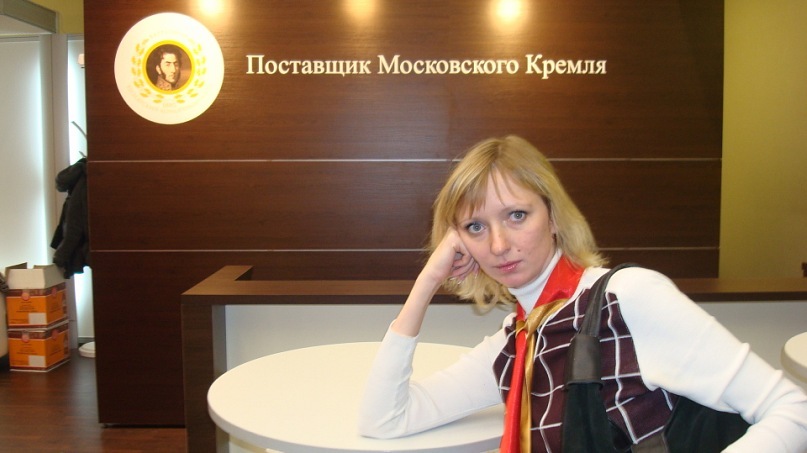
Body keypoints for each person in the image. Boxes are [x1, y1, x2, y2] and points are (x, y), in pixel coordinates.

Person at [359, 136, 807, 452]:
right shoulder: (517, 342)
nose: (497, 245)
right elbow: (386, 419)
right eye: (475, 227)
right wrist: (427, 282)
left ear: (553, 216)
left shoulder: (626, 299)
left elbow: (793, 410)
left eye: (517, 215)